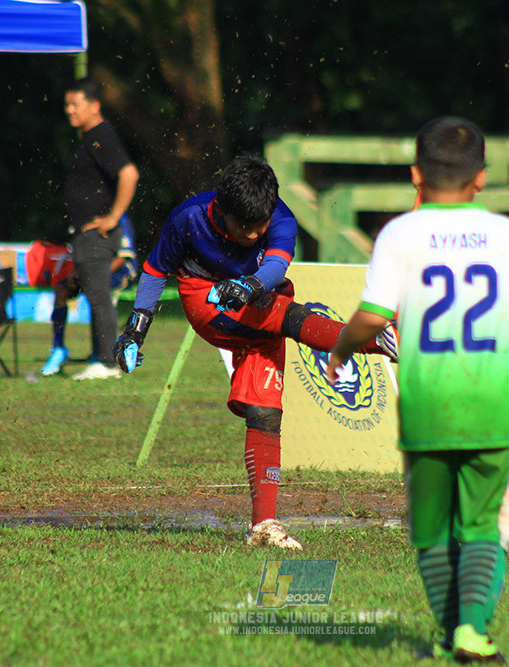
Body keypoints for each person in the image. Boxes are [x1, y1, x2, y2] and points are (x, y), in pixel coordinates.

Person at [324, 117, 509, 663]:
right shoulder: (505, 235)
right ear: (481, 178)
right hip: (493, 403)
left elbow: (372, 316)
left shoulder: (398, 235)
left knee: (431, 529)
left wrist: (339, 350)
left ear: (415, 174)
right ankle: (470, 632)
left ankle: (448, 630)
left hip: (426, 406)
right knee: (485, 523)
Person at [113, 156, 398, 551]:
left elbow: (276, 269)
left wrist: (249, 286)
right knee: (287, 315)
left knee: (264, 413)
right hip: (206, 301)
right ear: (221, 209)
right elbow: (156, 270)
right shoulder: (188, 216)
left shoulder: (280, 216)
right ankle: (378, 338)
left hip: (256, 301)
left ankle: (263, 524)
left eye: (258, 227)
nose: (251, 235)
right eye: (241, 226)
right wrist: (135, 329)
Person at [61, 77, 140, 381]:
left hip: (98, 235)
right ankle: (102, 359)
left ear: (94, 106)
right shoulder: (91, 136)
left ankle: (106, 363)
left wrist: (112, 216)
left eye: (75, 104)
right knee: (97, 295)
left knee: (99, 297)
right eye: (66, 104)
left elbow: (129, 174)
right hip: (86, 235)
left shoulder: (99, 135)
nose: (69, 110)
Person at [40, 214, 138, 376]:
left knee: (97, 295)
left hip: (115, 273)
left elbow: (123, 257)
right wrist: (78, 273)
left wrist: (95, 276)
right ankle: (59, 349)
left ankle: (104, 357)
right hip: (92, 273)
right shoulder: (87, 218)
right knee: (62, 290)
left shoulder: (119, 219)